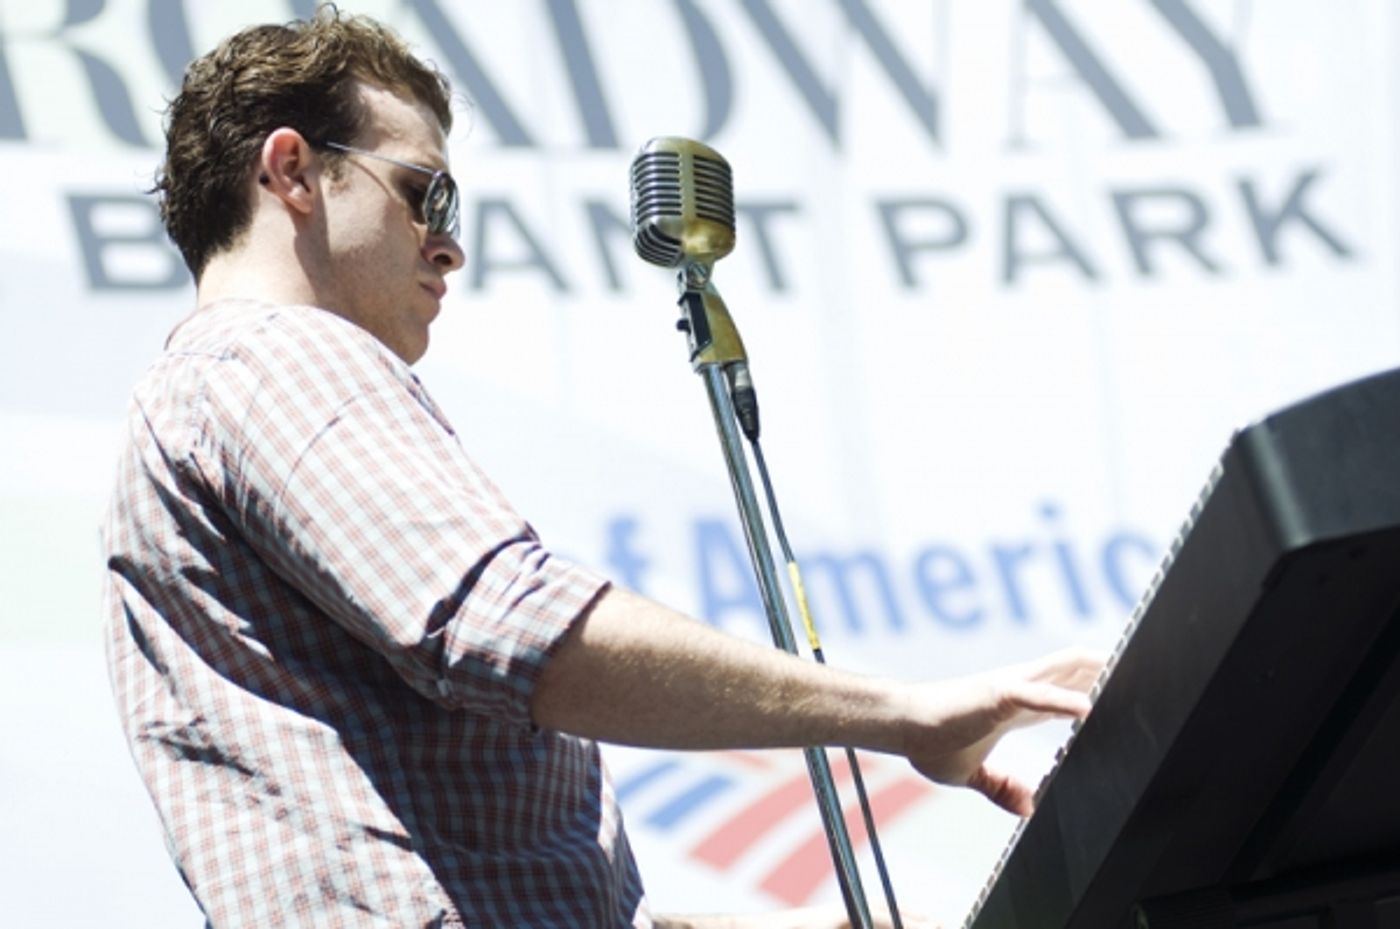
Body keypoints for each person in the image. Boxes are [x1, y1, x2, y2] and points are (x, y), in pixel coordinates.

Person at [101, 8, 1102, 928]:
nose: (448, 246)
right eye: (424, 192)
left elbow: (449, 860)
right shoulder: (276, 356)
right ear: (291, 172)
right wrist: (908, 713)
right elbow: (508, 624)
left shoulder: (198, 398)